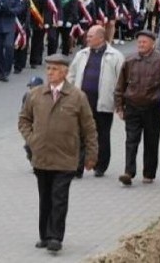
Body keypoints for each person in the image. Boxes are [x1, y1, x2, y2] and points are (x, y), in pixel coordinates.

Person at [18, 53, 98, 253]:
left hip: (66, 158)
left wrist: (91, 155)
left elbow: (89, 128)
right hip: (42, 157)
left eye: (54, 69)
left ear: (64, 72)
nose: (50, 73)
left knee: (59, 197)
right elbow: (23, 120)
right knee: (45, 197)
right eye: (48, 69)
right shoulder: (35, 94)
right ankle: (44, 235)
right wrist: (32, 140)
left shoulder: (77, 97)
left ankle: (55, 237)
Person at [114, 29, 160, 186]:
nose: (141, 44)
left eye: (144, 42)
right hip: (132, 106)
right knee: (131, 140)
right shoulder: (130, 60)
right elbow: (121, 84)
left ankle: (149, 173)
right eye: (139, 42)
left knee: (151, 141)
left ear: (153, 44)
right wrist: (119, 105)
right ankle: (128, 172)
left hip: (152, 107)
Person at [67, 25, 124, 178]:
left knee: (102, 135)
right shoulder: (82, 54)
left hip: (103, 103)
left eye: (91, 36)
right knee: (79, 134)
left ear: (101, 38)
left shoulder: (115, 56)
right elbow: (71, 75)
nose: (87, 39)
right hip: (82, 103)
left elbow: (121, 81)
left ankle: (100, 166)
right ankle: (77, 168)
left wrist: (120, 104)